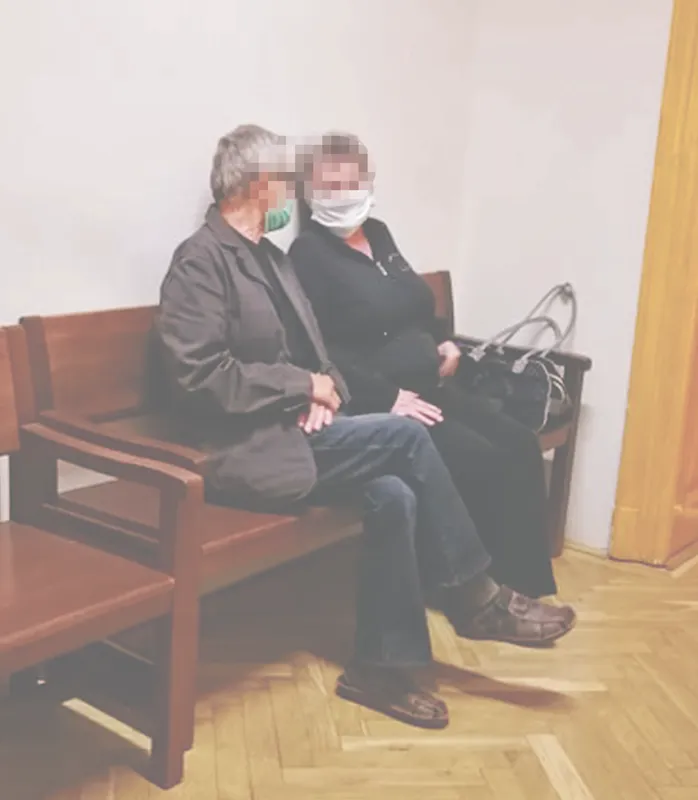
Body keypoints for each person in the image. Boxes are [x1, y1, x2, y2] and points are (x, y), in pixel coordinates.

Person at [156, 124, 576, 730]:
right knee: (406, 436)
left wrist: (325, 391)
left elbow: (319, 352)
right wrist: (302, 388)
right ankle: (474, 596)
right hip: (240, 449)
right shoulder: (200, 262)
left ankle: (379, 668)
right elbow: (200, 377)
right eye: (285, 180)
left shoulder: (271, 259)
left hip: (299, 431)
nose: (292, 192)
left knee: (393, 493)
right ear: (256, 183)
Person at [289, 132, 558, 599]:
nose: (343, 193)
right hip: (386, 401)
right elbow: (318, 351)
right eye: (330, 185)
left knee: (519, 444)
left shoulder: (378, 233)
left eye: (352, 181)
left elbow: (410, 304)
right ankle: (475, 593)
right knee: (481, 460)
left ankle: (527, 586)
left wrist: (442, 340)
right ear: (309, 194)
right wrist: (389, 398)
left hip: (432, 385)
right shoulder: (308, 254)